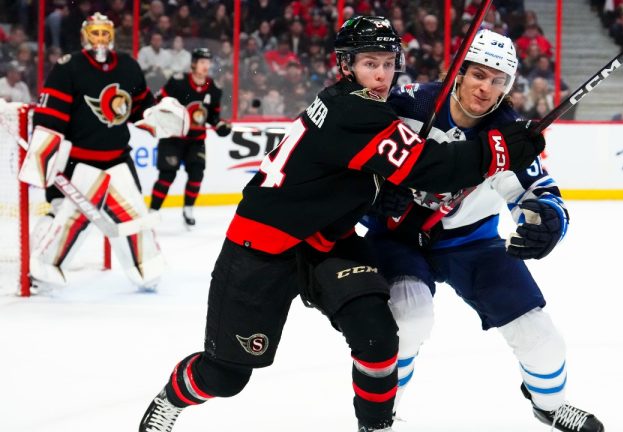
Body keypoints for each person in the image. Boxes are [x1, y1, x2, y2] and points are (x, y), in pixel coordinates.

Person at [137, 16, 545, 432]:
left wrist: (377, 191)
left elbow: (346, 169)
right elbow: (432, 168)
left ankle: (375, 427)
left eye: (389, 63)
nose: (382, 75)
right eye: (370, 64)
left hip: (329, 241)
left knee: (379, 336)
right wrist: (502, 148)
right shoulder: (355, 110)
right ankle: (170, 400)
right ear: (346, 66)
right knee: (225, 375)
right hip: (262, 247)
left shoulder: (360, 104)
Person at [363, 29, 604, 432]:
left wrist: (546, 222)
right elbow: (353, 155)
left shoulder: (509, 132)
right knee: (408, 319)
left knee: (541, 339)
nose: (485, 87)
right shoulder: (407, 103)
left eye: (498, 80)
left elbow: (540, 194)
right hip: (399, 237)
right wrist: (375, 194)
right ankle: (379, 417)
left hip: (470, 242)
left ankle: (550, 405)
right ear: (458, 72)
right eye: (478, 74)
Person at [18, 13, 188, 291]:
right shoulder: (68, 67)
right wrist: (45, 155)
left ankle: (145, 268)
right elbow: (51, 116)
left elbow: (139, 108)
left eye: (104, 33)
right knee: (68, 219)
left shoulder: (128, 66)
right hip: (80, 163)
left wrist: (158, 115)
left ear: (111, 35)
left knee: (134, 218)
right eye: (94, 33)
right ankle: (43, 269)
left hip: (118, 159)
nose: (100, 39)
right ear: (85, 36)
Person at [149, 47, 229, 228]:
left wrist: (220, 125)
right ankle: (152, 212)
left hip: (196, 140)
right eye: (202, 62)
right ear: (193, 64)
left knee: (196, 174)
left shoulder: (214, 89)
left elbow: (212, 116)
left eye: (208, 63)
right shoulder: (178, 83)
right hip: (173, 138)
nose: (205, 66)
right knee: (167, 176)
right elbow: (158, 100)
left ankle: (188, 210)